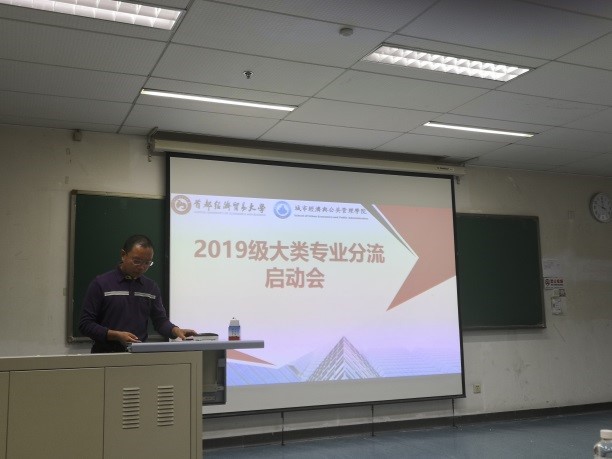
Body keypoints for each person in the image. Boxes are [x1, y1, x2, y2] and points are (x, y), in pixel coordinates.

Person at [79, 234, 196, 353]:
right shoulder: (101, 284)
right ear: (123, 255)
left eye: (147, 263)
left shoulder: (150, 287)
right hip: (105, 356)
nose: (141, 267)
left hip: (138, 354)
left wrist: (176, 330)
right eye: (137, 261)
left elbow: (160, 321)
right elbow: (85, 324)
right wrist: (116, 335)